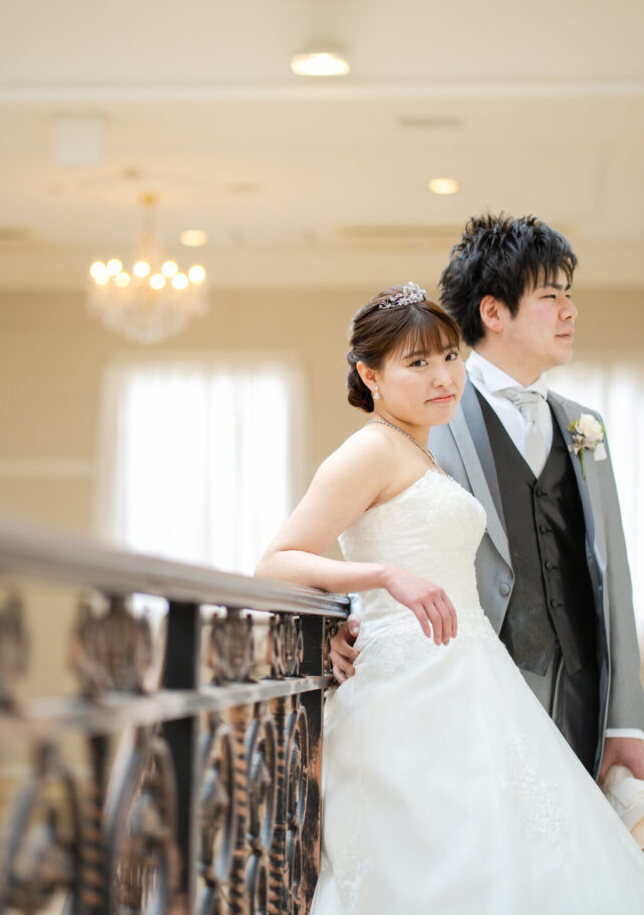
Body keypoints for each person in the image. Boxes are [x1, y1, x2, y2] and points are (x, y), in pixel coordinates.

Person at [255, 279, 644, 913]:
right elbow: (275, 562)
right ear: (370, 376)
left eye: (450, 356)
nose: (444, 377)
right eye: (417, 363)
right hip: (407, 692)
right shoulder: (370, 450)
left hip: (470, 677)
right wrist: (382, 577)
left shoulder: (417, 449)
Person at [331, 213, 644, 786]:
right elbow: (377, 529)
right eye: (551, 296)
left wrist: (627, 721)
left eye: (569, 295)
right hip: (470, 691)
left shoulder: (585, 426)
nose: (570, 311)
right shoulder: (424, 417)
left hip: (582, 692)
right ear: (494, 313)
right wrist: (342, 619)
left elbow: (615, 572)